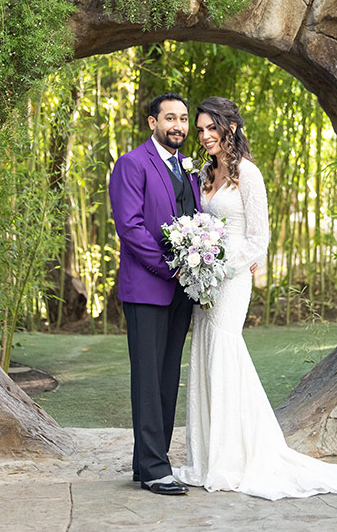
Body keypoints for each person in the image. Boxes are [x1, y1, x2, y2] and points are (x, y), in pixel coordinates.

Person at [173, 96, 337, 499]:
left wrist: (223, 266)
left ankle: (234, 459)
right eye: (201, 129)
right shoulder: (206, 174)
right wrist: (199, 262)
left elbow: (259, 238)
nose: (205, 136)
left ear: (230, 128)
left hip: (231, 278)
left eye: (212, 128)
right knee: (206, 355)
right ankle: (208, 458)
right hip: (205, 281)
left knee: (225, 350)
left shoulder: (249, 174)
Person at [109, 92, 201, 496]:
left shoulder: (189, 170)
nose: (178, 125)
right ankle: (155, 468)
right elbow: (130, 227)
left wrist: (199, 265)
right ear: (152, 122)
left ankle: (147, 461)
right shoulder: (132, 164)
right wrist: (169, 267)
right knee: (148, 378)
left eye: (183, 118)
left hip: (183, 289)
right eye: (170, 118)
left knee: (166, 378)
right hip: (147, 286)